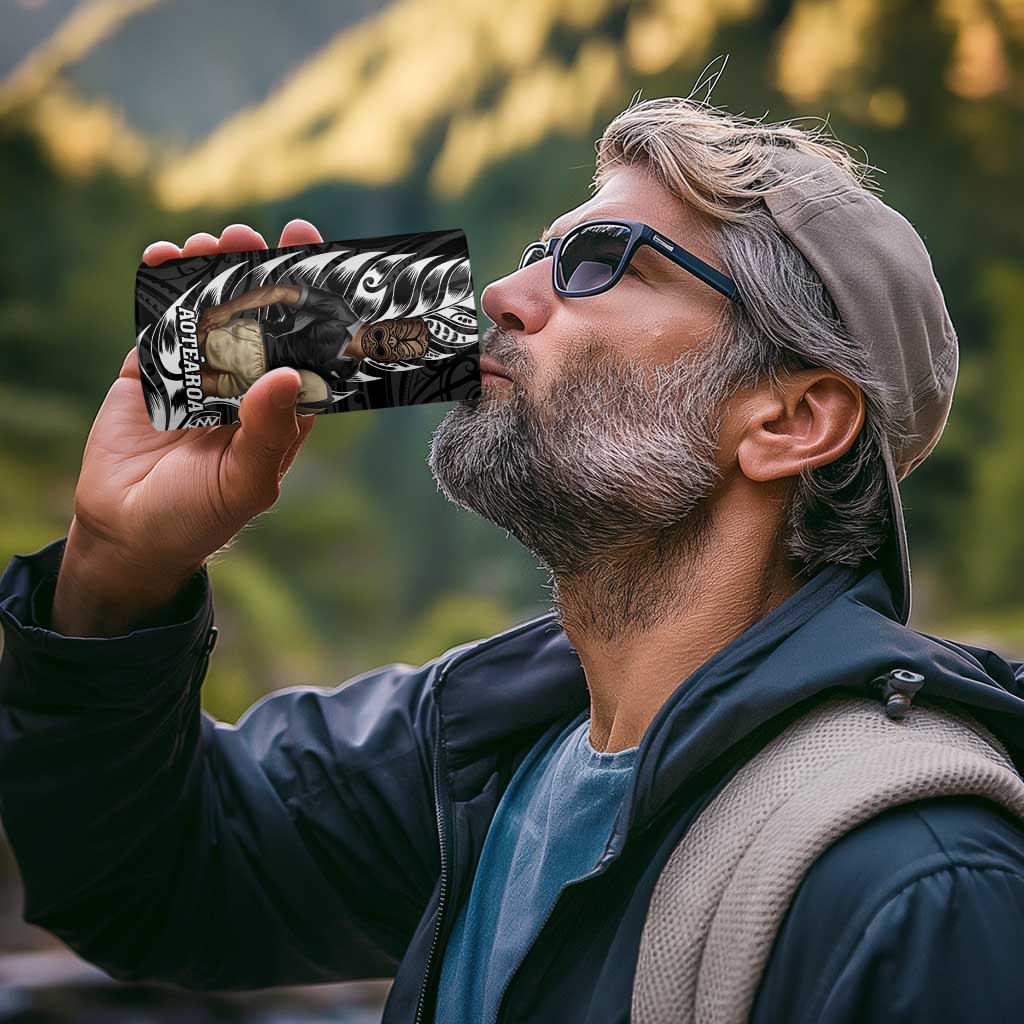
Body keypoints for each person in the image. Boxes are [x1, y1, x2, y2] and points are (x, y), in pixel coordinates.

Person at [2, 96, 1024, 1024]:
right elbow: (149, 880)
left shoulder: (918, 883)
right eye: (539, 252)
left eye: (598, 262)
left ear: (791, 419)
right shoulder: (480, 748)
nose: (500, 292)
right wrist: (116, 569)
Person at [193, 280, 430, 406]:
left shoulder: (346, 371)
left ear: (393, 360)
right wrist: (229, 309)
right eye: (400, 333)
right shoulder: (337, 310)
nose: (395, 342)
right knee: (178, 351)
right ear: (392, 322)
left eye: (402, 349)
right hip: (252, 343)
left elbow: (303, 387)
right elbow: (280, 292)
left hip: (257, 381)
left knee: (186, 387)